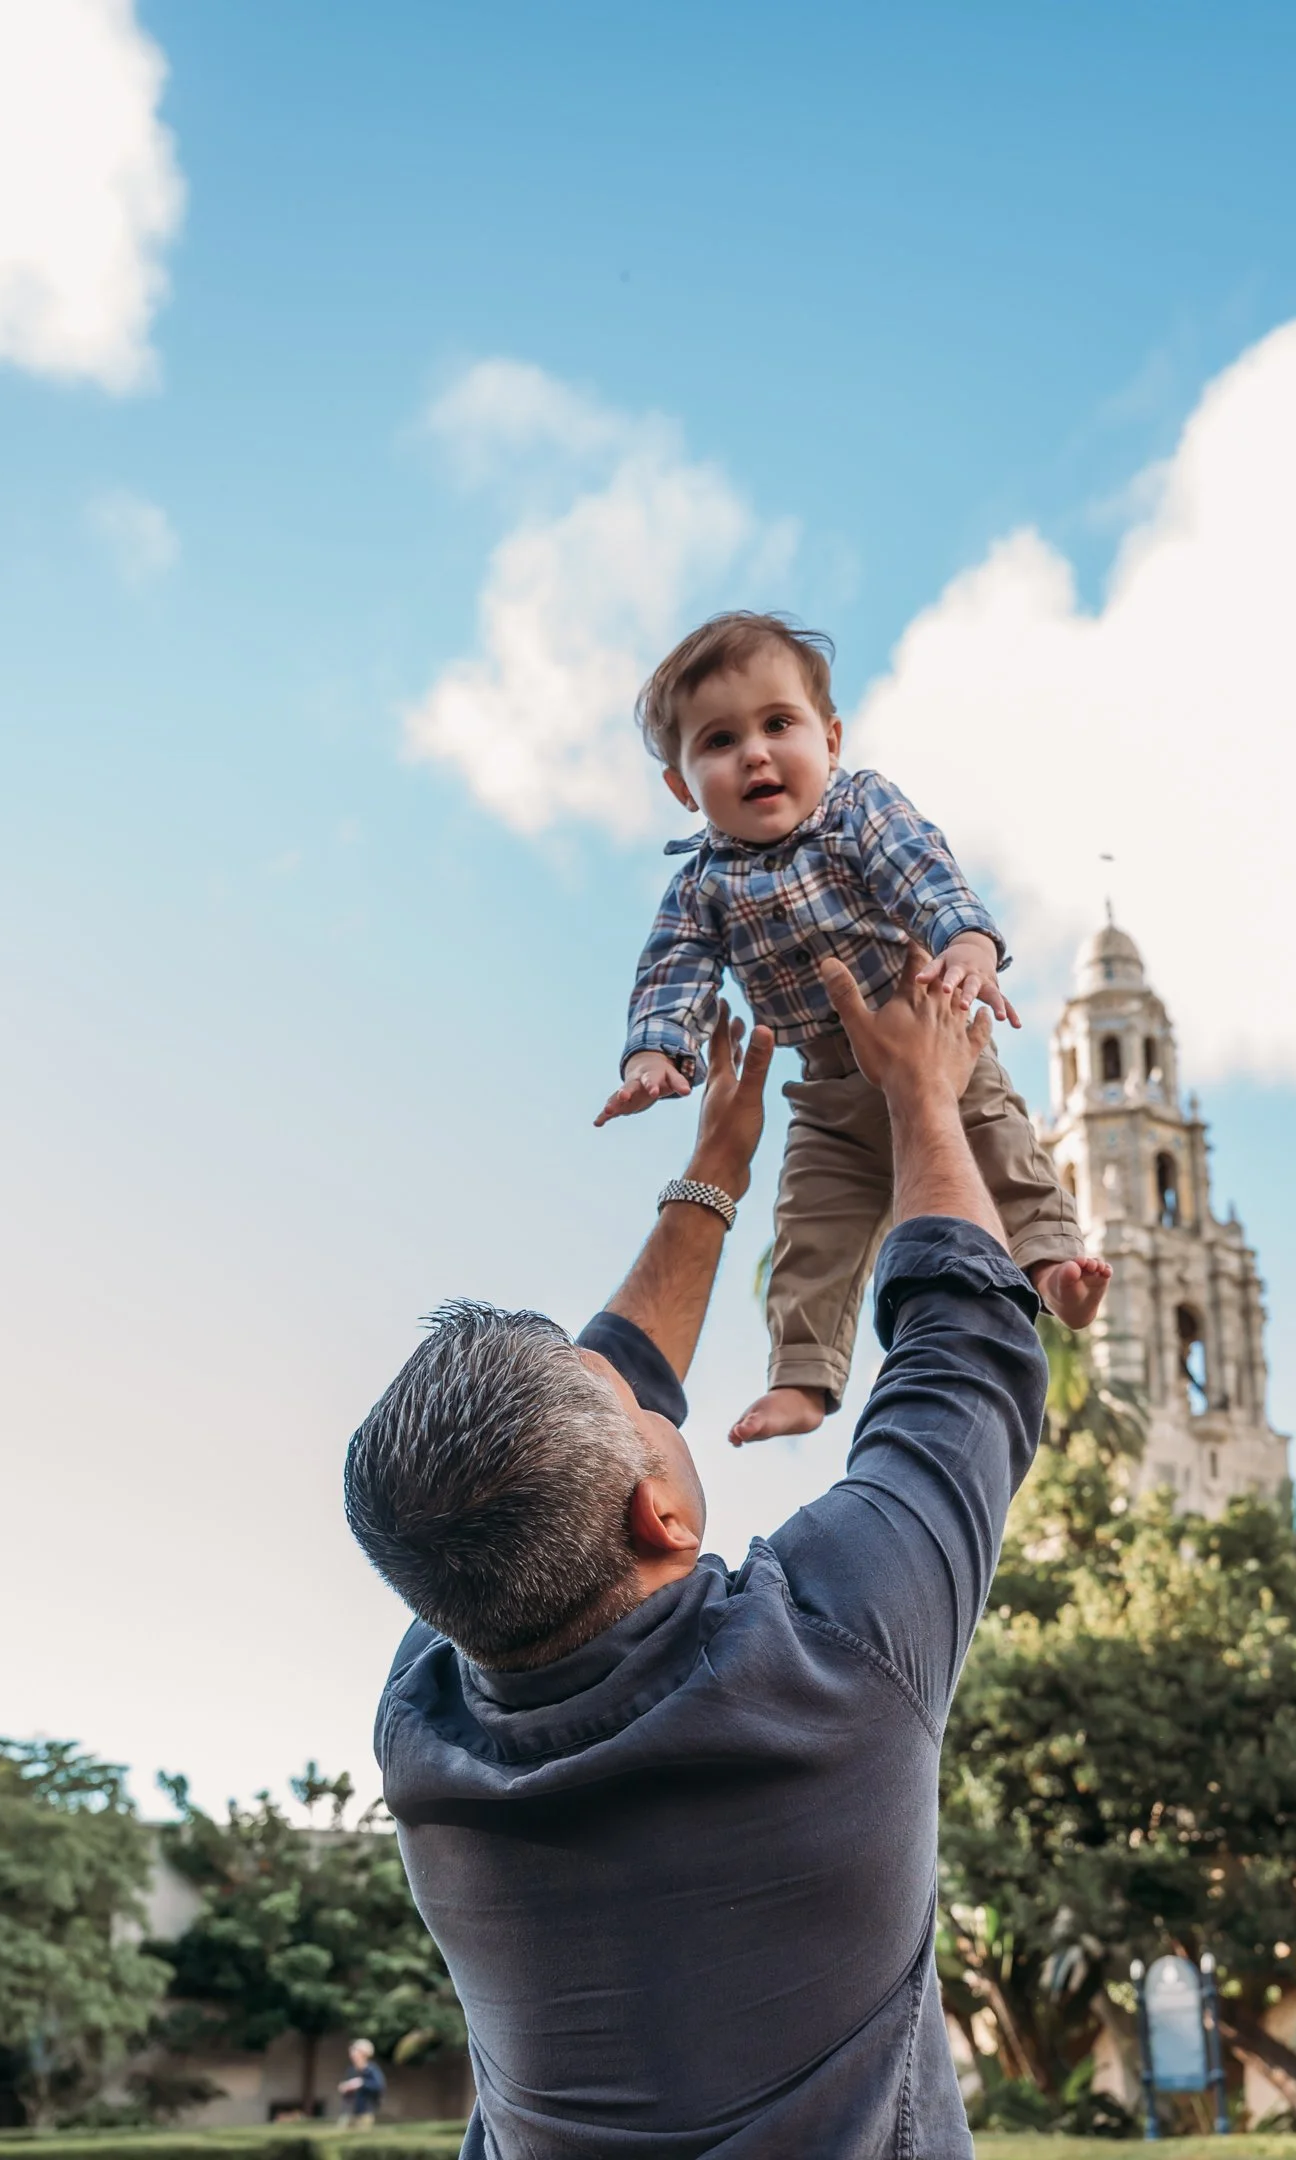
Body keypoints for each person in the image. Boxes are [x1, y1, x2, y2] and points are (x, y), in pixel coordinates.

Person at [346, 952, 1049, 2158]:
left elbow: (561, 1449)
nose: (642, 1386)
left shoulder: (430, 1720)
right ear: (662, 1516)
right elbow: (967, 1348)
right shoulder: (830, 1655)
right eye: (630, 1407)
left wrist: (715, 1170)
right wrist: (926, 1097)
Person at [595, 610, 1110, 1443]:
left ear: (829, 739)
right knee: (810, 1228)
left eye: (777, 724)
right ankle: (803, 1379)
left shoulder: (857, 809)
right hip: (827, 1091)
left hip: (928, 1040)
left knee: (1003, 1153)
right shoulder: (699, 887)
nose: (755, 753)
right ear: (684, 788)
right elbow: (674, 968)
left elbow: (923, 872)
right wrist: (658, 1051)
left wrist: (968, 944)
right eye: (719, 742)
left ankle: (1052, 1267)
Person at [337, 2039, 385, 2126]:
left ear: (364, 2053)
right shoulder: (351, 2071)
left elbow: (379, 2086)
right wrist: (345, 2087)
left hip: (365, 2112)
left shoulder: (371, 2070)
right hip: (349, 2111)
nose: (352, 2054)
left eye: (355, 2051)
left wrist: (362, 2083)